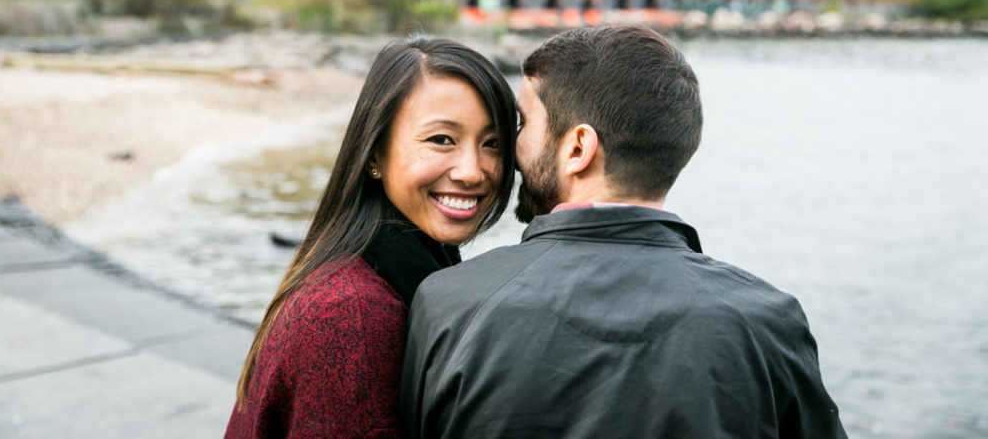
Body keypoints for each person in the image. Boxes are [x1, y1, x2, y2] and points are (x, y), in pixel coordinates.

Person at [401, 25, 846, 438]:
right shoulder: (768, 321)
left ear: (578, 148)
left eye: (524, 124)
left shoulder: (450, 305)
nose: (512, 146)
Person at [226, 36, 516, 438]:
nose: (473, 171)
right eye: (441, 139)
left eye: (493, 144)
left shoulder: (384, 272)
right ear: (375, 154)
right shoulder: (352, 316)